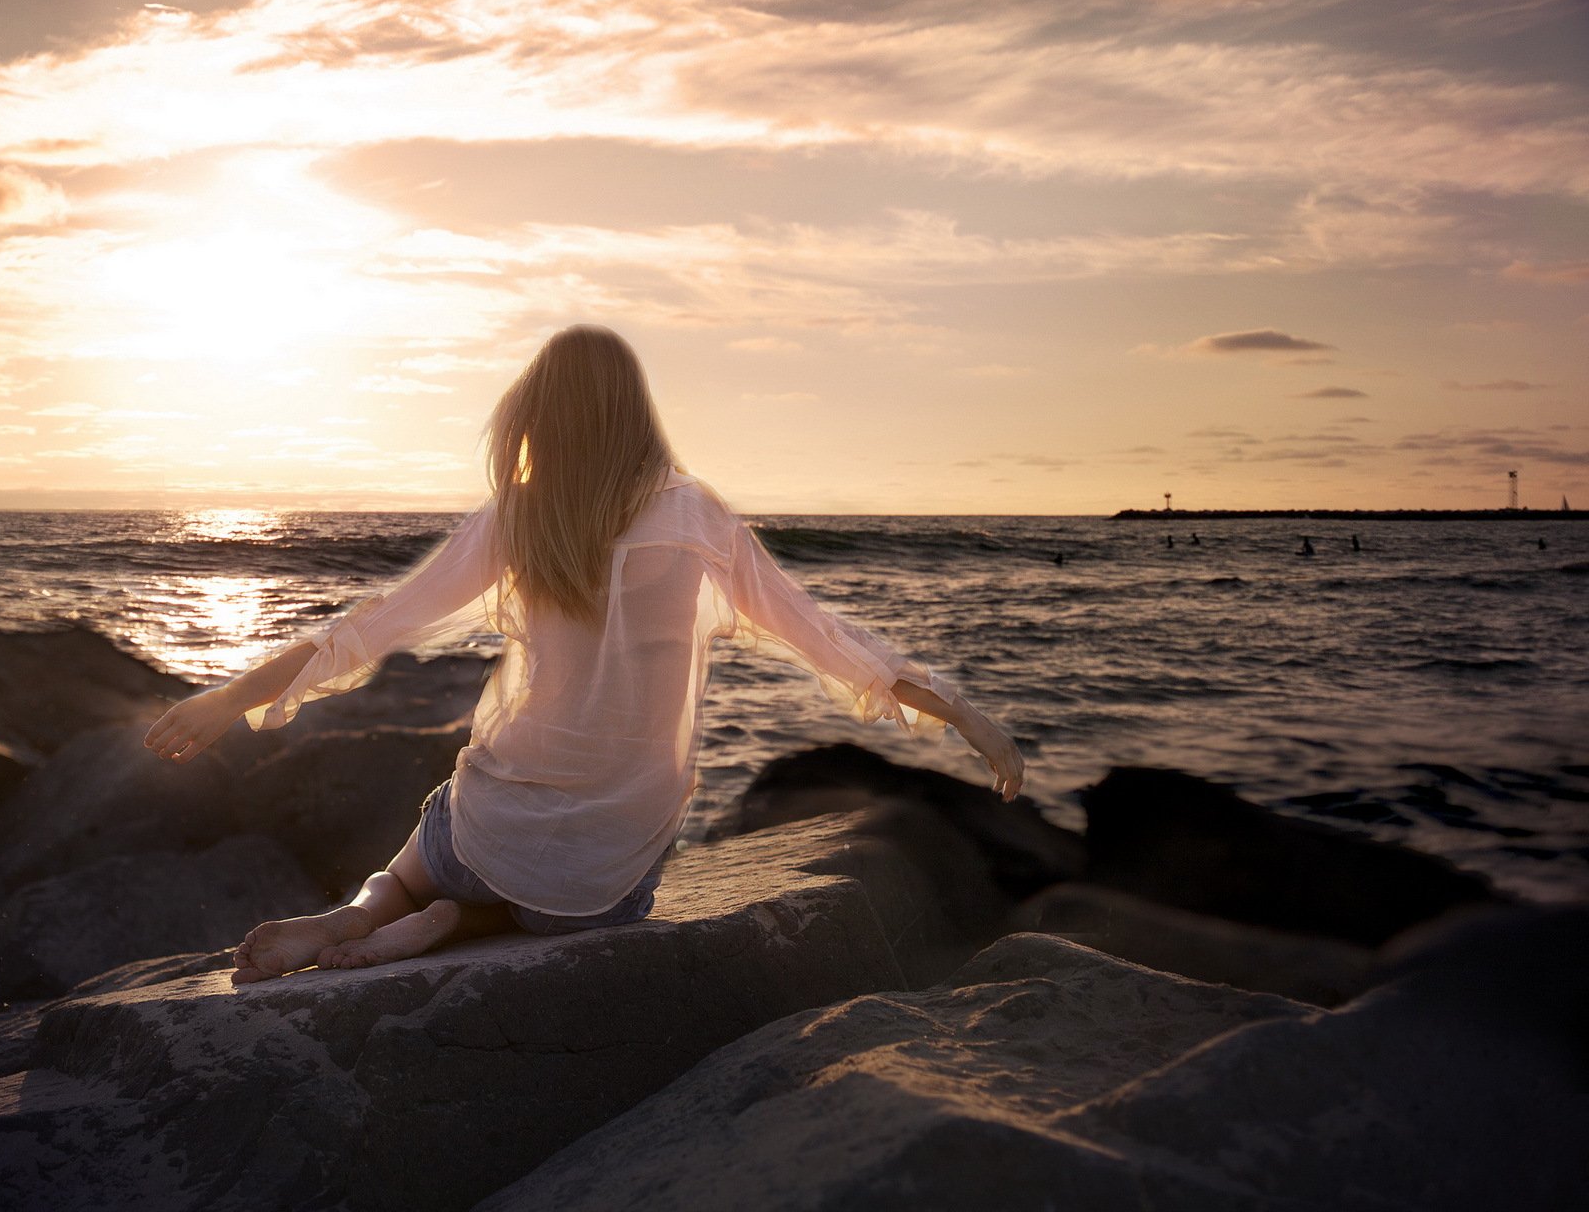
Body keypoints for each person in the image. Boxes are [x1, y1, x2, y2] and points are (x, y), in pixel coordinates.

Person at [144, 325, 1026, 985]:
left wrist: (229, 697)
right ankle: (459, 923)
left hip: (489, 824)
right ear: (633, 413)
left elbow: (372, 626)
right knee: (565, 882)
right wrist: (965, 713)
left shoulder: (518, 517)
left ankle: (376, 913)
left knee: (414, 857)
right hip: (604, 873)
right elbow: (825, 638)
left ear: (538, 412)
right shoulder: (696, 517)